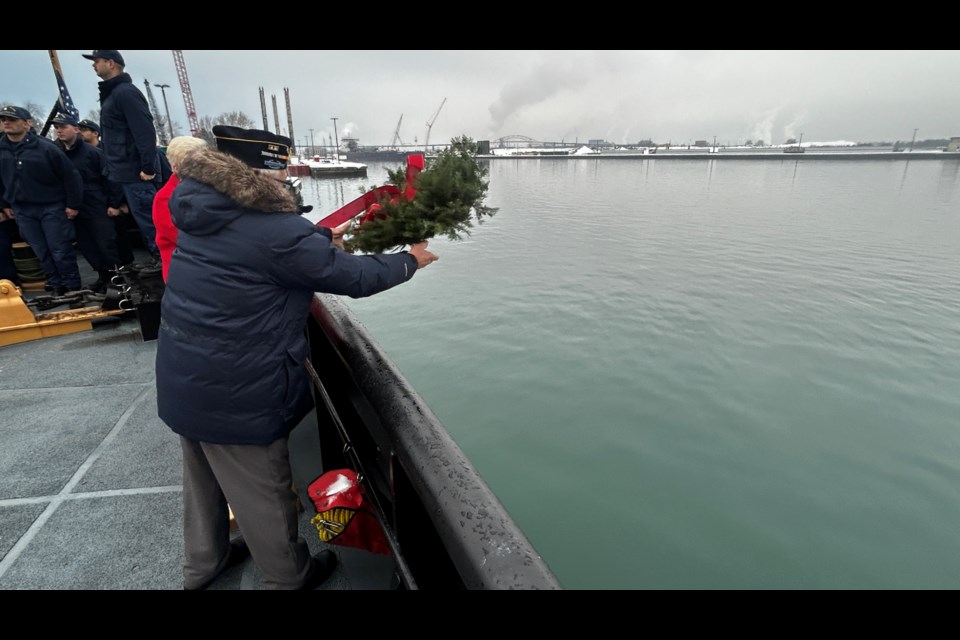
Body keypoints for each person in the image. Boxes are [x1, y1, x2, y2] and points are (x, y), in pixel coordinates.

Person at [155, 126, 438, 590]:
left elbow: (262, 253)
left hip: (187, 375)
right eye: (280, 167)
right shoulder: (273, 228)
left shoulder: (202, 208)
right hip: (237, 389)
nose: (288, 176)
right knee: (263, 491)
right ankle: (289, 576)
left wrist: (322, 233)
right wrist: (409, 261)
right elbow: (350, 277)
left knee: (202, 479)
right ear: (259, 172)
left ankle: (204, 565)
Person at [83, 49, 161, 265]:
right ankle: (161, 260)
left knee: (150, 222)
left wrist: (147, 167)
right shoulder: (114, 94)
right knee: (146, 222)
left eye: (96, 61)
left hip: (137, 174)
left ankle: (164, 262)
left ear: (110, 63)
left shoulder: (124, 93)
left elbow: (144, 131)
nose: (93, 65)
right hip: (125, 173)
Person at [0, 105, 83, 295]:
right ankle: (56, 285)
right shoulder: (1, 149)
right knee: (41, 252)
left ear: (27, 123)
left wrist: (73, 204)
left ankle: (72, 287)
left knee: (60, 250)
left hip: (51, 207)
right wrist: (3, 205)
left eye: (12, 119)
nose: (6, 122)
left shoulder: (46, 148)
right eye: (4, 119)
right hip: (22, 210)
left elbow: (70, 176)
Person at [51, 112, 123, 291]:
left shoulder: (93, 153)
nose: (59, 131)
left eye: (63, 127)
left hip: (97, 206)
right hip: (74, 209)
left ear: (75, 129)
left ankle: (118, 280)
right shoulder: (57, 155)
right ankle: (103, 276)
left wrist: (114, 204)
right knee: (87, 246)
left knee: (106, 245)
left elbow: (111, 179)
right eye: (56, 127)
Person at [152, 135, 207, 281]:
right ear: (176, 167)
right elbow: (180, 237)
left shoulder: (206, 188)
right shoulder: (164, 199)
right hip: (183, 272)